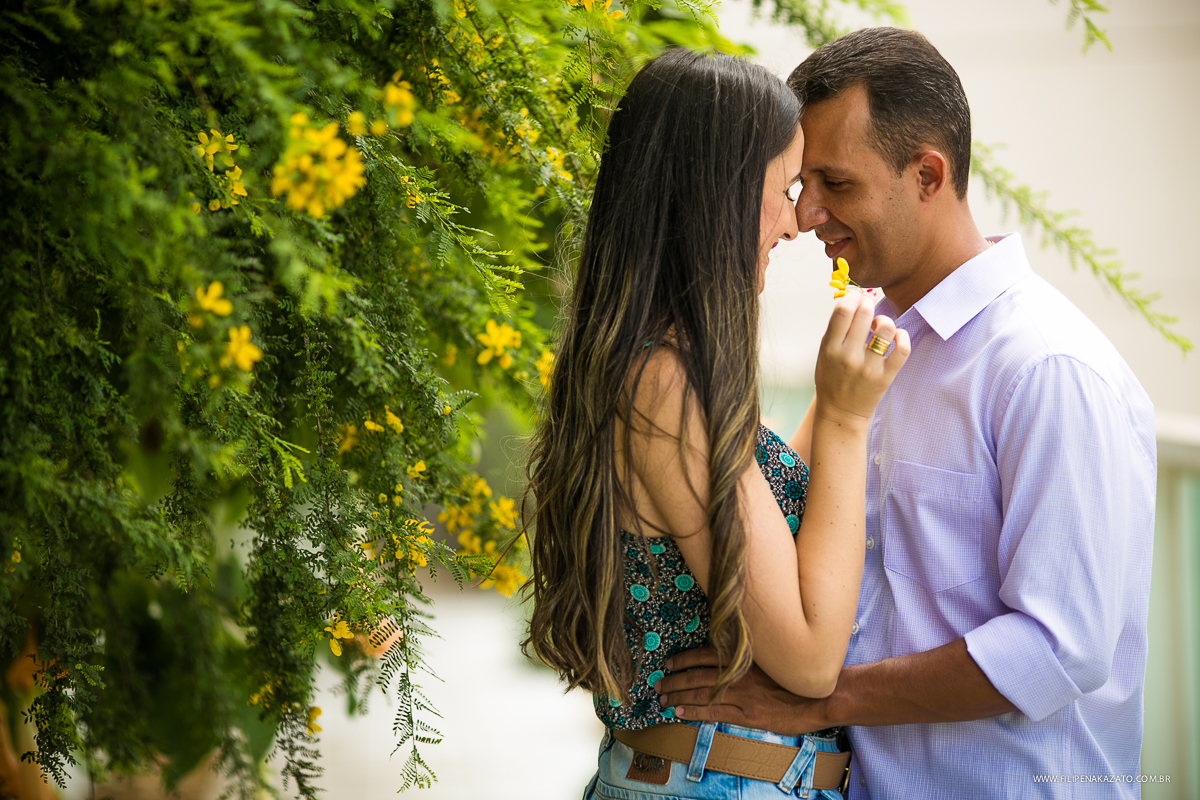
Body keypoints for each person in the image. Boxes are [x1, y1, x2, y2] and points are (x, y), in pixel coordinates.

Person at [657, 28, 1157, 799]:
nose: (809, 215)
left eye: (836, 183)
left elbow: (1059, 648)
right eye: (799, 186)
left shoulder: (1046, 368)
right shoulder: (865, 357)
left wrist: (824, 697)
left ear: (927, 173)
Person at [521, 47, 910, 799]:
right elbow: (806, 658)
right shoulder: (662, 381)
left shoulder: (662, 367)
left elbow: (763, 508)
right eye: (786, 186)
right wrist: (845, 422)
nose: (798, 220)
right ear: (722, 191)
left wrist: (836, 400)